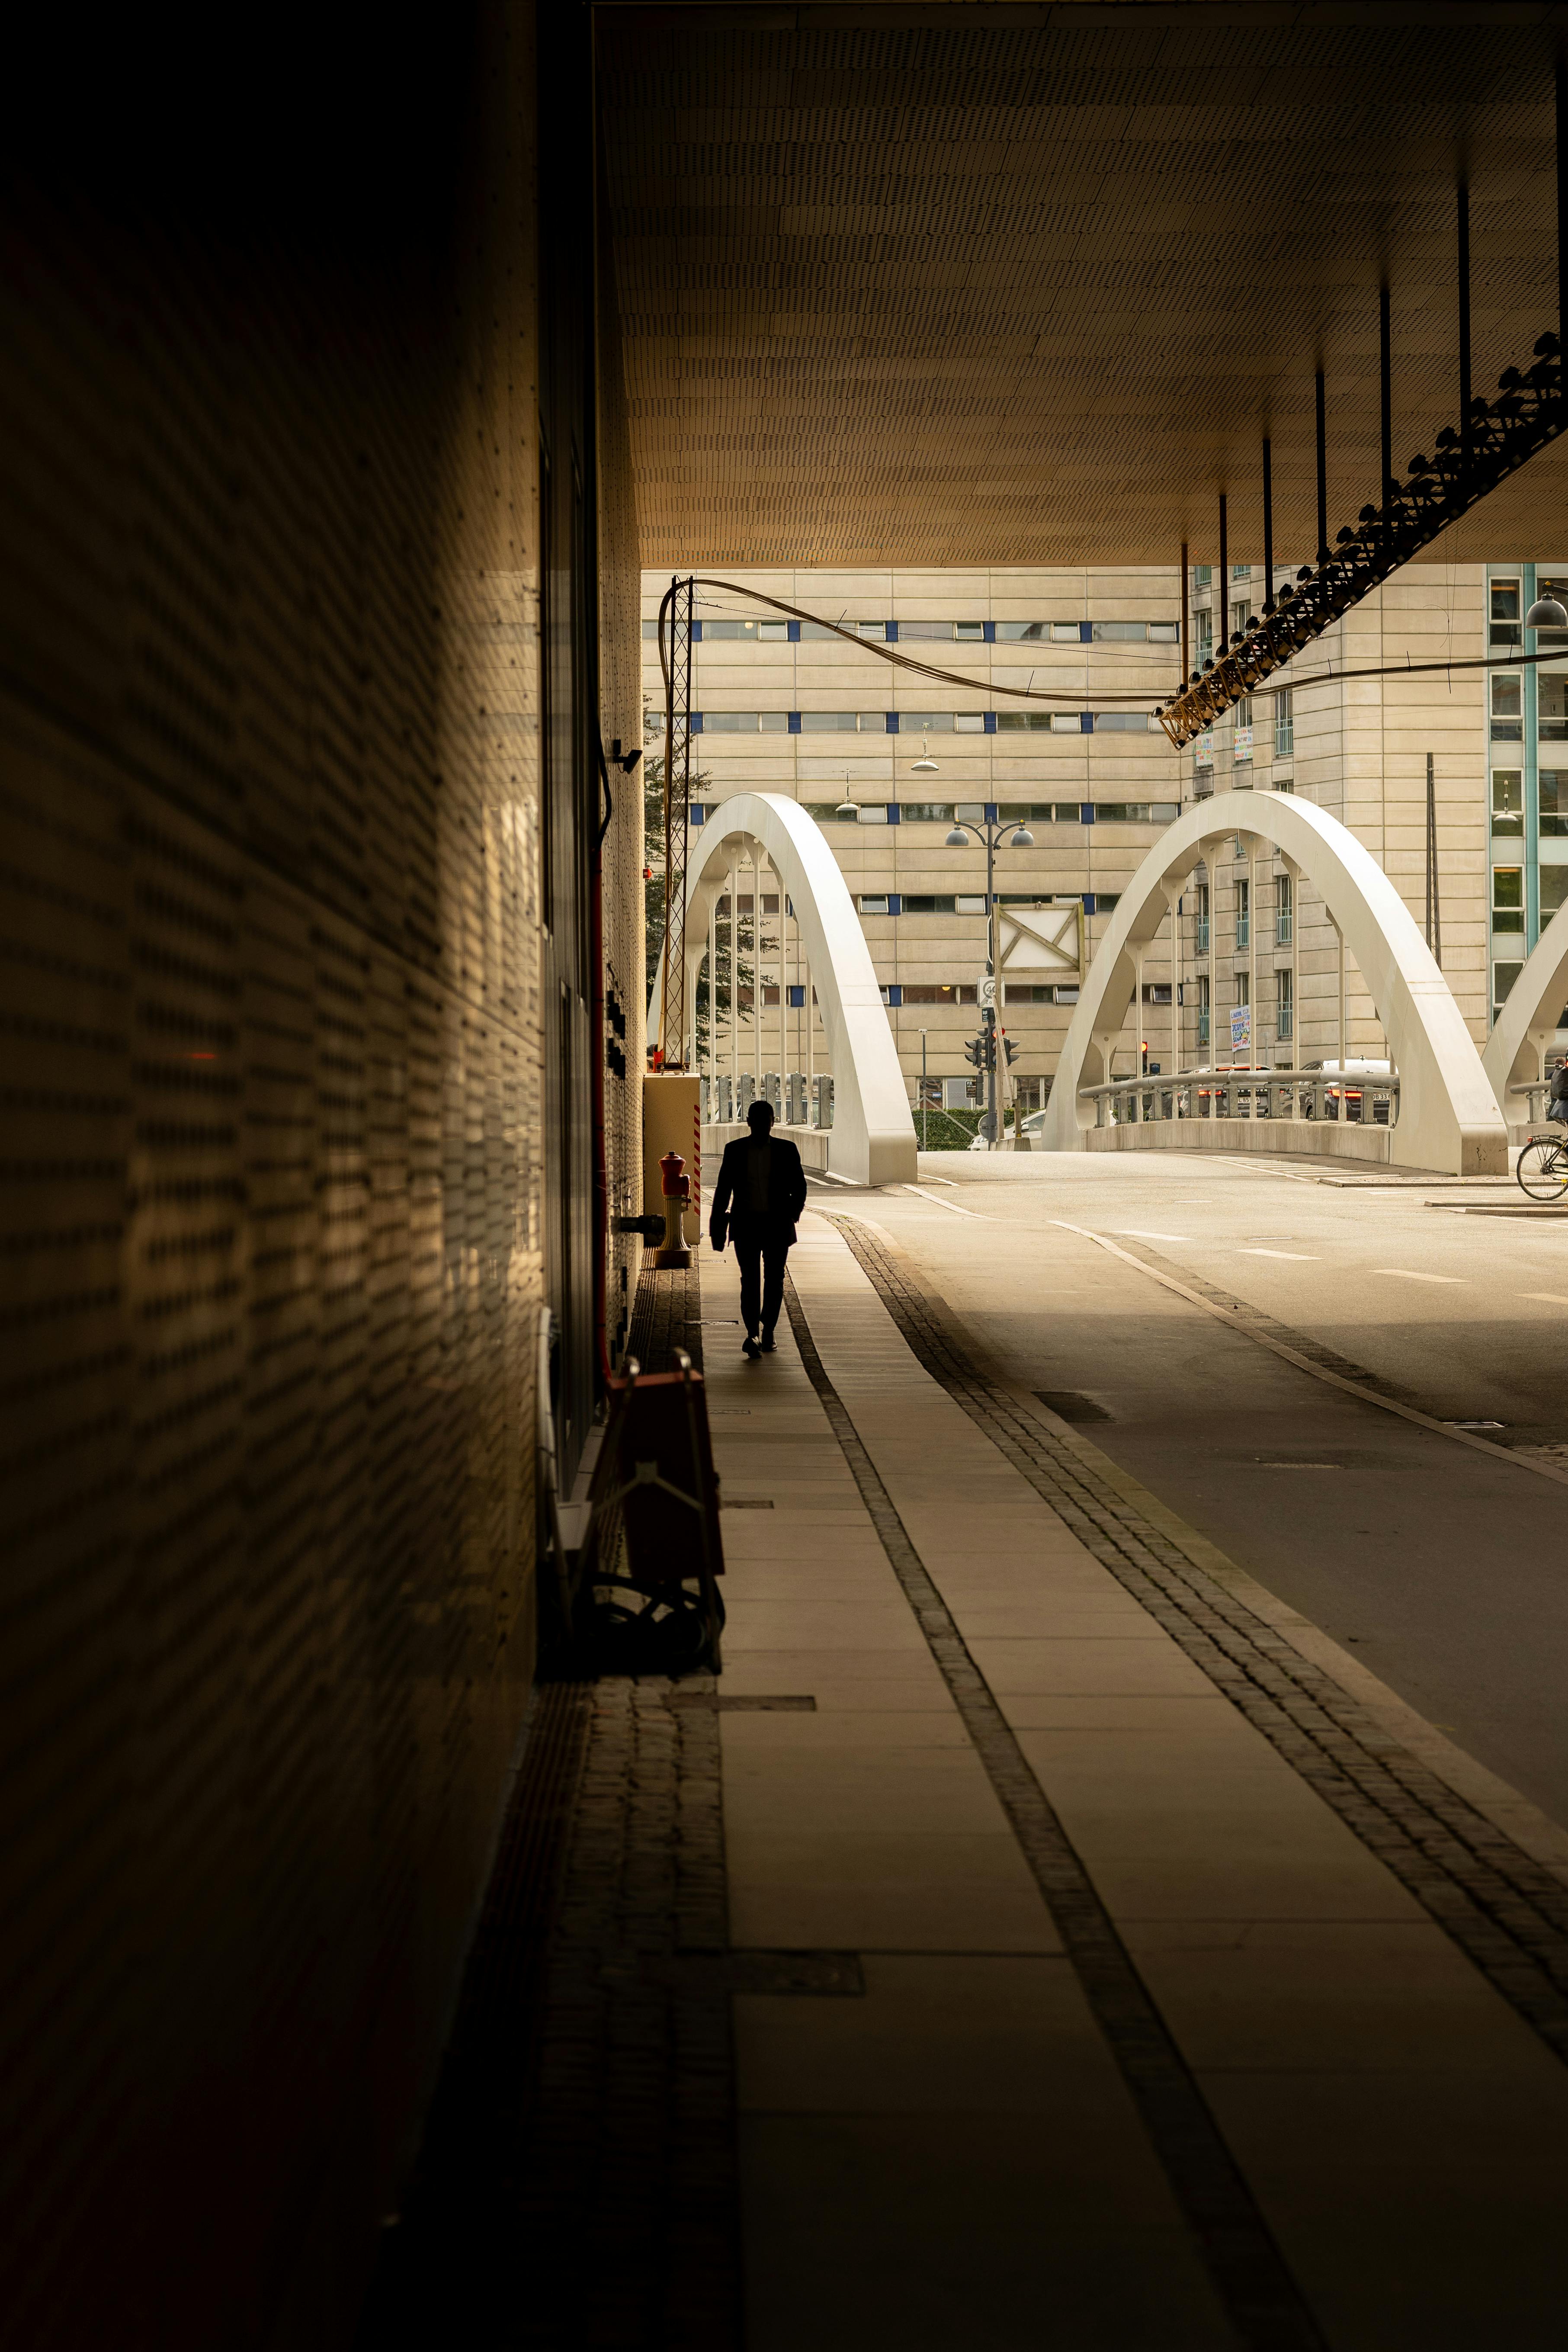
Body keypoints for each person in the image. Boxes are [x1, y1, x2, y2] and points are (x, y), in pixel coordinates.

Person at [709, 1098, 808, 1357]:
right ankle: (753, 1332)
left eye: (767, 1122)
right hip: (746, 1225)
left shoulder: (787, 1150)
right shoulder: (735, 1150)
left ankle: (769, 1330)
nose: (763, 1126)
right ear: (750, 1123)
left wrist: (792, 1215)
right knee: (751, 1281)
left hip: (776, 1226)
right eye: (759, 1122)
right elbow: (723, 1191)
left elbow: (800, 1187)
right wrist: (717, 1226)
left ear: (772, 1123)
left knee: (773, 1281)